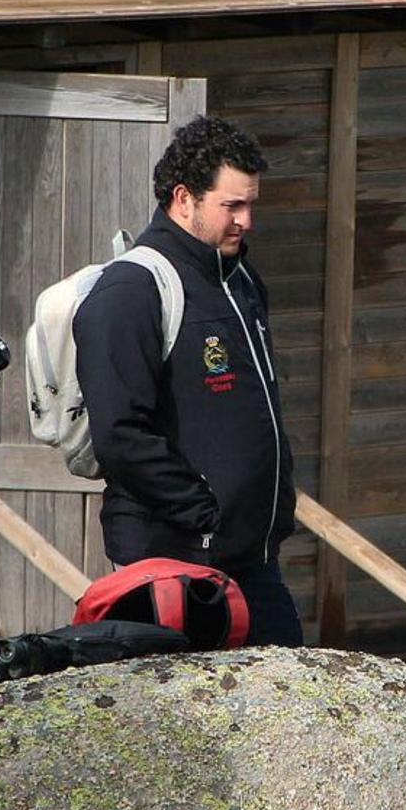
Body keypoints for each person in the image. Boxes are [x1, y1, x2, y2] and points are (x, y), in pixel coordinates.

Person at [74, 115, 302, 647]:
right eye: (231, 206)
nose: (246, 221)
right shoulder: (131, 292)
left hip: (251, 561)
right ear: (184, 198)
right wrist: (207, 515)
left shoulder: (242, 282)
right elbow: (121, 436)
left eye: (251, 205)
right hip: (170, 567)